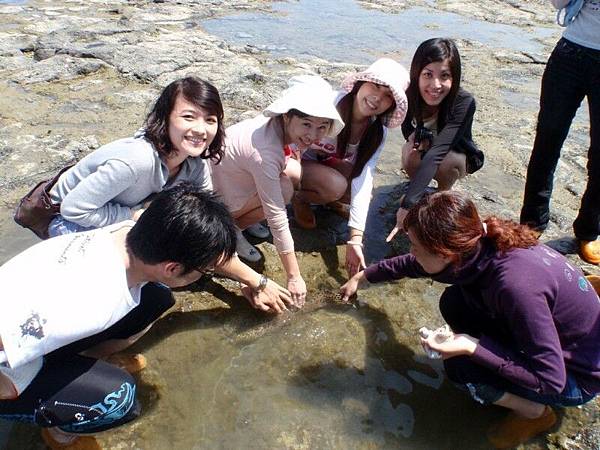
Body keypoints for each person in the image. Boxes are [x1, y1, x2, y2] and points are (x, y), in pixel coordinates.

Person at [341, 191, 600, 448]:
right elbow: (414, 264)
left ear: (445, 253)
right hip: (561, 341)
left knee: (461, 368)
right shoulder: (477, 240)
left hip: (575, 378)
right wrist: (363, 277)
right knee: (454, 302)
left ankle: (533, 413)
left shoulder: (514, 287)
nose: (412, 252)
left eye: (415, 247)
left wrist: (471, 346)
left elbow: (551, 380)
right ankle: (498, 369)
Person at [0, 184, 237, 450]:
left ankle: (81, 365)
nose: (205, 273)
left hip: (34, 327)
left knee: (155, 299)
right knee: (119, 399)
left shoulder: (125, 231)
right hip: (10, 368)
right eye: (204, 270)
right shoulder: (88, 302)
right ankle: (59, 433)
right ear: (172, 268)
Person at [46, 76, 291, 313]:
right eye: (188, 117)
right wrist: (135, 216)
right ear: (164, 118)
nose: (200, 129)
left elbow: (206, 228)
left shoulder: (194, 165)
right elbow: (74, 209)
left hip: (130, 218)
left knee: (182, 250)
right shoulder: (137, 161)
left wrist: (249, 281)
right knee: (147, 292)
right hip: (68, 223)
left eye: (210, 120)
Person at [211, 75, 344, 306]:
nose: (313, 135)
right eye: (306, 124)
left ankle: (240, 220)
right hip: (216, 203)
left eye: (322, 127)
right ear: (287, 116)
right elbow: (277, 217)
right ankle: (232, 229)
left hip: (230, 184)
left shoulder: (275, 129)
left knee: (291, 173)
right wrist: (294, 276)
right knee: (283, 191)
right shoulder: (264, 152)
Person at [292, 58, 410, 277]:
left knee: (356, 190)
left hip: (319, 165)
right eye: (375, 86)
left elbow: (364, 178)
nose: (377, 98)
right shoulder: (329, 106)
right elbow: (287, 137)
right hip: (293, 162)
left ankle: (326, 201)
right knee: (336, 185)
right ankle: (299, 197)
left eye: (387, 96)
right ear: (360, 83)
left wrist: (355, 238)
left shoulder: (376, 131)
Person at [520, 0, 600, 265]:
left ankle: (588, 231)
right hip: (571, 52)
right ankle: (531, 223)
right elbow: (559, 2)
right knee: (547, 141)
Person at [387, 38, 484, 242]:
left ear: (454, 77)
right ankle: (418, 188)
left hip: (455, 154)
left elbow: (439, 152)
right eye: (428, 75)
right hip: (429, 149)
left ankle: (441, 195)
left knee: (445, 160)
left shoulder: (464, 102)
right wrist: (418, 140)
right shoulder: (408, 95)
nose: (435, 85)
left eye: (445, 76)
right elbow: (406, 129)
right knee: (410, 150)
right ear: (417, 73)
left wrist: (406, 206)